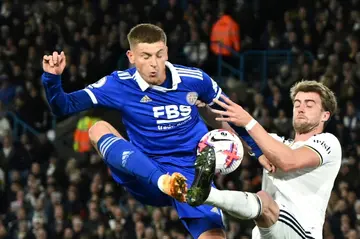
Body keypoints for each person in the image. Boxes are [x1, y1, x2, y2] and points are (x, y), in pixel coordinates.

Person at [41, 23, 263, 239]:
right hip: (144, 170)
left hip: (191, 175)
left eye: (158, 54)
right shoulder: (119, 84)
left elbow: (231, 113)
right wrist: (52, 79)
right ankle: (162, 181)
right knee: (97, 128)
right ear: (131, 57)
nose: (154, 63)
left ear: (166, 52)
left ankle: (174, 185)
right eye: (145, 56)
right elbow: (64, 106)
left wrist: (258, 152)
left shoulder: (195, 79)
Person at [185, 81, 341, 239]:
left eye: (309, 105)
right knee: (264, 203)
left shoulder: (328, 142)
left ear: (325, 115)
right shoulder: (274, 144)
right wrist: (203, 107)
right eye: (297, 103)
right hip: (266, 231)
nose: (301, 108)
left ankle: (206, 194)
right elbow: (228, 129)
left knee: (265, 201)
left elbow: (289, 161)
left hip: (302, 232)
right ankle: (204, 193)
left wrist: (249, 121)